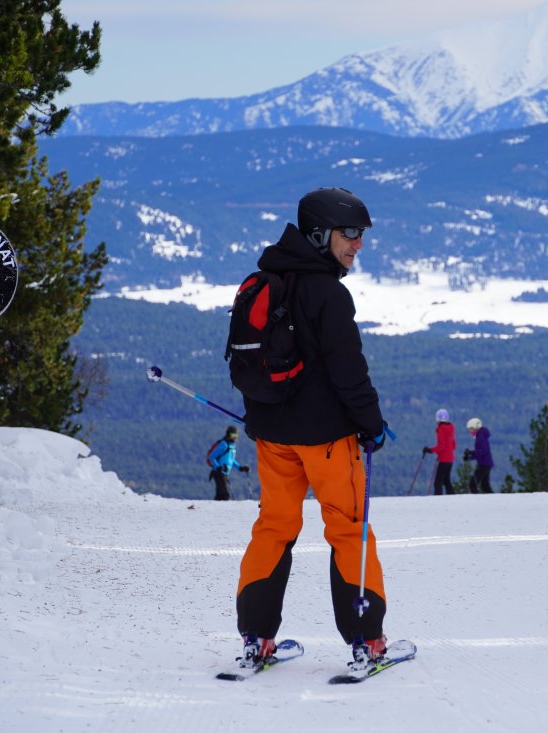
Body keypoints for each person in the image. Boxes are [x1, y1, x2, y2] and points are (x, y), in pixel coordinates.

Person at [233, 187, 393, 670]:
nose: (359, 243)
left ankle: (256, 639)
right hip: (326, 440)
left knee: (274, 529)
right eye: (351, 234)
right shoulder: (328, 293)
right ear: (321, 235)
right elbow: (349, 369)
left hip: (273, 437)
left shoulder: (266, 280)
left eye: (362, 234)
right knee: (349, 531)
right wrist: (372, 423)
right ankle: (368, 640)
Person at [207, 425, 250, 501]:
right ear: (228, 435)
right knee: (225, 495)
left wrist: (240, 468)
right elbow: (211, 457)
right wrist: (218, 467)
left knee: (221, 495)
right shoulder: (224, 444)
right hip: (218, 472)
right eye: (233, 435)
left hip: (224, 473)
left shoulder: (232, 446)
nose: (235, 437)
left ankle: (216, 510)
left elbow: (231, 460)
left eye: (237, 435)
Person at [422, 408, 456, 495]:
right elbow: (454, 445)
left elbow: (441, 446)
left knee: (438, 482)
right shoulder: (451, 428)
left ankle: (438, 501)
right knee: (446, 481)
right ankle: (452, 498)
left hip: (444, 460)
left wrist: (430, 450)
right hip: (450, 459)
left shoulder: (441, 429)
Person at [464, 417, 493, 493]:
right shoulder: (481, 435)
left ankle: (477, 500)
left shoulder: (480, 436)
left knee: (473, 484)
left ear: (476, 427)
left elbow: (482, 451)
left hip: (484, 464)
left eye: (471, 429)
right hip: (486, 463)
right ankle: (493, 500)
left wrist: (470, 456)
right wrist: (471, 454)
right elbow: (481, 451)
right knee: (485, 485)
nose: (470, 431)